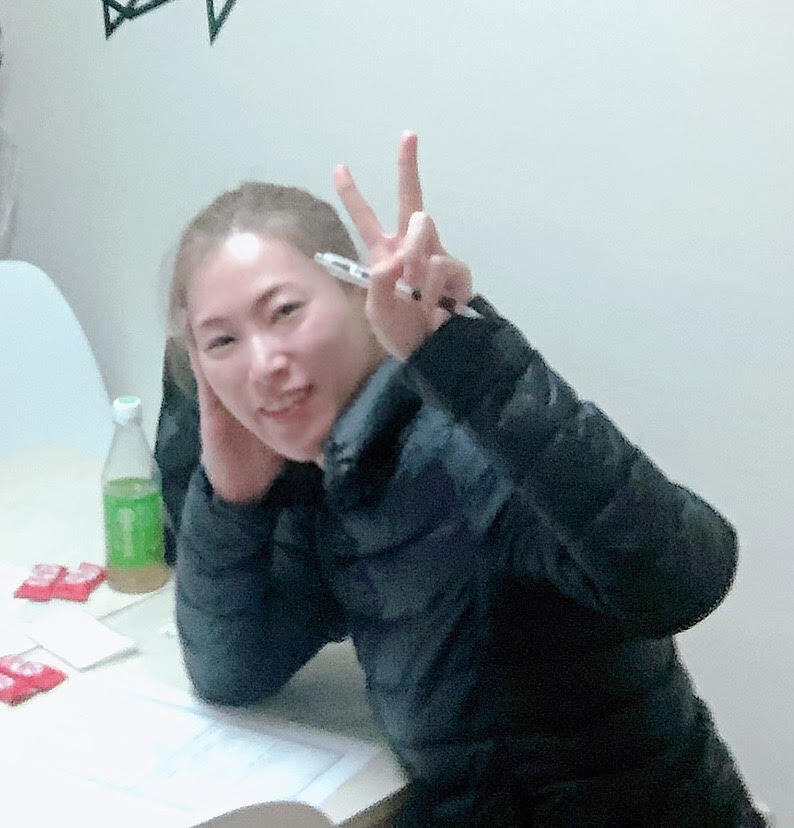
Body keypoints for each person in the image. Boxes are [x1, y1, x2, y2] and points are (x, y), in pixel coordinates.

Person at [161, 134, 763, 826]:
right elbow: (232, 673)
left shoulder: (461, 450)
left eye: (285, 312)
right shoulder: (330, 480)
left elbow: (686, 574)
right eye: (222, 341)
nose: (263, 363)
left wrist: (467, 356)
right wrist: (231, 500)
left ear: (361, 295)